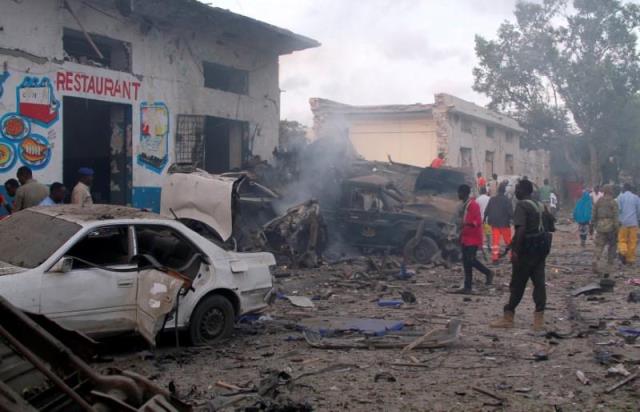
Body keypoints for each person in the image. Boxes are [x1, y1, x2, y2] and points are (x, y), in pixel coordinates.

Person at [490, 180, 554, 331]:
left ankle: (508, 316)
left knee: (517, 284)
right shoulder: (539, 205)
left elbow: (521, 230)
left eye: (517, 189)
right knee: (539, 284)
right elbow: (550, 226)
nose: (515, 192)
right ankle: (539, 320)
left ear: (523, 191)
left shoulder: (522, 206)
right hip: (540, 251)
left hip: (526, 252)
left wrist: (516, 251)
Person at [454, 184, 494, 294]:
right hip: (465, 237)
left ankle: (487, 273)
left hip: (473, 237)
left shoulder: (473, 205)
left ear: (464, 193)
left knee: (470, 260)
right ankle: (468, 285)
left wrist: (465, 224)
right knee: (467, 261)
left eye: (459, 193)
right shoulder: (465, 205)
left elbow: (477, 221)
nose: (458, 195)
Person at [592, 185, 619, 273]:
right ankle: (609, 264)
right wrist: (617, 228)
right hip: (610, 226)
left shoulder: (599, 201)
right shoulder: (613, 202)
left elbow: (594, 214)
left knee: (599, 245)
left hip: (600, 226)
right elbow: (616, 216)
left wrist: (593, 225)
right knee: (612, 246)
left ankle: (596, 260)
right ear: (611, 191)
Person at [485, 184, 513, 263]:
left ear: (498, 191)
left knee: (495, 242)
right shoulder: (507, 200)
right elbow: (510, 212)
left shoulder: (492, 199)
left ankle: (495, 258)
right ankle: (512, 257)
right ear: (504, 191)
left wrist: (485, 219)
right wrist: (513, 219)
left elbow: (487, 210)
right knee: (508, 241)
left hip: (494, 223)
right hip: (504, 223)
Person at [616, 183, 640, 265]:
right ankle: (630, 259)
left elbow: (618, 210)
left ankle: (623, 251)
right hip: (634, 223)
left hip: (623, 223)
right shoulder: (636, 197)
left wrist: (618, 220)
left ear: (624, 189)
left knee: (622, 239)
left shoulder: (620, 197)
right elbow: (639, 211)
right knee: (632, 241)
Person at [476, 187, 492, 254]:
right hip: (488, 218)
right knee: (488, 233)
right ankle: (489, 245)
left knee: (480, 233)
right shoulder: (489, 199)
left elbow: (476, 210)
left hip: (480, 219)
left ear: (480, 192)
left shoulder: (477, 199)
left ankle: (480, 247)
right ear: (486, 192)